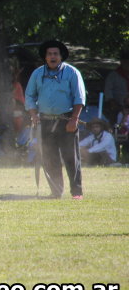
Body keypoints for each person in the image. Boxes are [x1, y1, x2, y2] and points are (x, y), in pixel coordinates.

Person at [25, 40, 86, 199]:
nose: (52, 57)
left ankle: (76, 192)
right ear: (45, 57)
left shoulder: (72, 73)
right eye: (49, 54)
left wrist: (74, 119)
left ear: (61, 56)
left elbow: (79, 98)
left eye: (55, 54)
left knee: (71, 158)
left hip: (67, 121)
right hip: (45, 121)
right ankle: (56, 191)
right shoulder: (37, 73)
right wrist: (33, 114)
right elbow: (30, 95)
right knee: (49, 158)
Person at [104, 49, 129, 122]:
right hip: (119, 103)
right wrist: (111, 101)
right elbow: (108, 90)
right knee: (114, 112)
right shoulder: (113, 75)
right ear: (121, 62)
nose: (127, 64)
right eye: (125, 62)